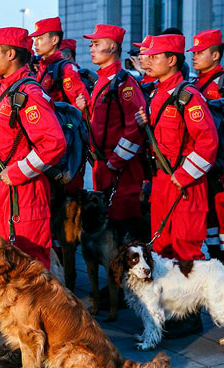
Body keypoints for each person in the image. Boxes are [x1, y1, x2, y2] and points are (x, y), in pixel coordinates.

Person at [0, 27, 66, 368]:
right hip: (4, 191)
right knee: (8, 268)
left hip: (21, 193)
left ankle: (36, 344)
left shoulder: (27, 92)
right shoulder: (5, 90)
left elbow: (54, 142)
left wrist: (17, 172)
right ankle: (20, 339)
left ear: (12, 53)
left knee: (29, 268)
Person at [135, 33, 219, 338]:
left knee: (186, 249)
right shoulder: (159, 93)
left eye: (155, 56)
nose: (148, 60)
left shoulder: (187, 95)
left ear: (172, 60)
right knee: (163, 248)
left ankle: (190, 315)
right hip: (163, 183)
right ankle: (172, 308)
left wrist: (183, 177)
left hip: (184, 185)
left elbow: (208, 143)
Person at [76, 24, 146, 240]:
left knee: (123, 230)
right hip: (104, 166)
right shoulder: (102, 81)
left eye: (97, 43)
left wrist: (115, 161)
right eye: (91, 44)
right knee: (110, 228)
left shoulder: (124, 83)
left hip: (120, 170)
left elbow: (135, 128)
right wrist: (85, 111)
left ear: (113, 47)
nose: (91, 48)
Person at [189, 29, 224, 265]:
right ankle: (214, 267)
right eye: (193, 52)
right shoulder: (193, 85)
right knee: (209, 218)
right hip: (204, 165)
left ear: (215, 55)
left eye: (200, 52)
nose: (194, 56)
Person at [30, 17, 89, 110]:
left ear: (54, 40)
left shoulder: (66, 69)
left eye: (40, 38)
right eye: (35, 38)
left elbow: (80, 108)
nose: (35, 43)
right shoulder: (43, 66)